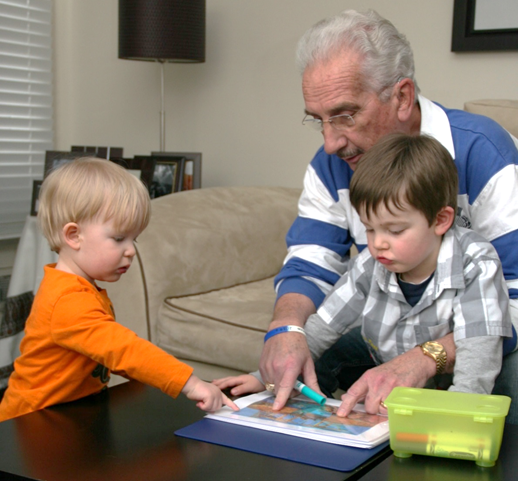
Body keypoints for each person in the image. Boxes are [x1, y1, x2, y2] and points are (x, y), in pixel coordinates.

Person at [259, 9, 518, 420]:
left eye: (344, 116)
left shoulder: (484, 151)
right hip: (389, 335)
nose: (330, 143)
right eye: (319, 120)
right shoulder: (332, 163)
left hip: (479, 337)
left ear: (401, 96)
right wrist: (285, 331)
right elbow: (311, 266)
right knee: (301, 362)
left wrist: (425, 357)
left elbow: (513, 302)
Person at [215, 134, 512, 413]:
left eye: (395, 230)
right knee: (330, 350)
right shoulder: (371, 262)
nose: (378, 242)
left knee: (494, 374)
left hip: (448, 374)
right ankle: (293, 402)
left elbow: (479, 348)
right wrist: (263, 378)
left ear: (441, 220)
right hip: (381, 353)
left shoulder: (475, 261)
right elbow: (323, 326)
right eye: (369, 229)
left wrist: (461, 410)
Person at [0, 158, 238, 421]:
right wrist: (190, 383)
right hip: (29, 424)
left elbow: (107, 352)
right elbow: (123, 350)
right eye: (118, 238)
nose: (131, 250)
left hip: (70, 416)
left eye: (133, 239)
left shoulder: (79, 288)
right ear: (73, 236)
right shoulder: (67, 300)